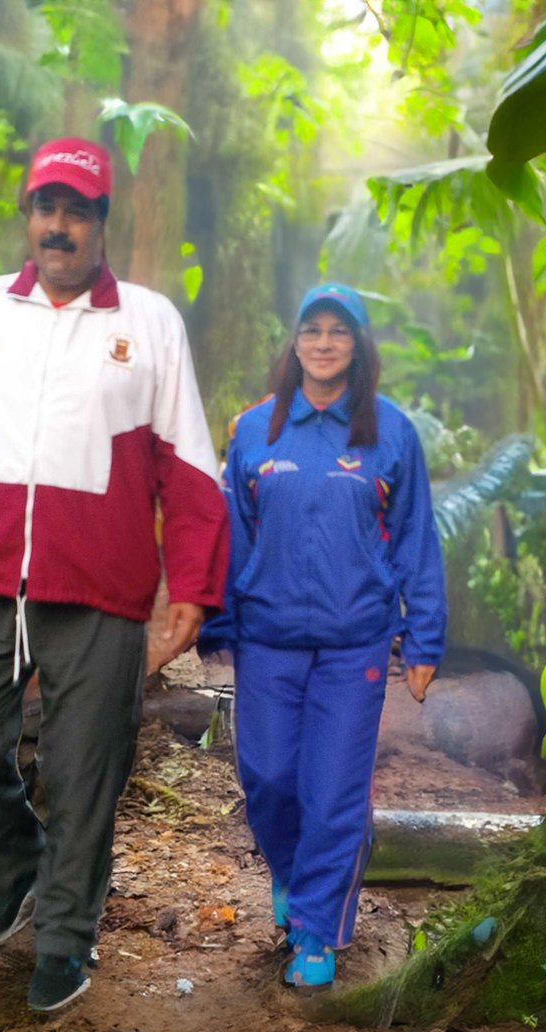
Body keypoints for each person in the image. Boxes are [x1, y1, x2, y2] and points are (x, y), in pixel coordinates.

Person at [0, 137, 228, 1012]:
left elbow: (187, 466)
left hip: (101, 592)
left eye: (77, 210)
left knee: (83, 772)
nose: (58, 226)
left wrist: (191, 588)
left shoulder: (146, 323)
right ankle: (15, 860)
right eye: (46, 208)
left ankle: (67, 938)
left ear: (103, 222)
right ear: (27, 217)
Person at [203, 282, 446, 989]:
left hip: (356, 643)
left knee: (333, 788)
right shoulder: (255, 429)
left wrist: (424, 640)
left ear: (358, 346)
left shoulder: (390, 430)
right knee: (270, 778)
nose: (325, 342)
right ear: (295, 341)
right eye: (313, 329)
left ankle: (316, 930)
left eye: (340, 331)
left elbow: (415, 538)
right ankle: (292, 874)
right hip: (268, 638)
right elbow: (233, 534)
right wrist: (219, 619)